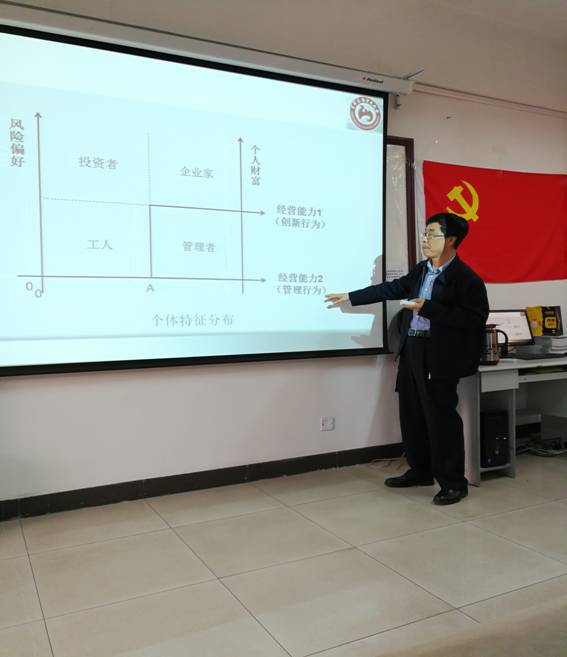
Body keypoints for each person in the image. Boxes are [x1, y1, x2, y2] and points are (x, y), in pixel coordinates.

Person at [325, 212, 489, 505]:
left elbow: (473, 320)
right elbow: (392, 288)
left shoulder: (466, 279)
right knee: (412, 413)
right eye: (425, 233)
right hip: (412, 348)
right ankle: (420, 470)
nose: (425, 239)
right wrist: (351, 296)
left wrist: (428, 308)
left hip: (439, 355)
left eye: (432, 234)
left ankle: (454, 483)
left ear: (451, 240)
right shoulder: (422, 270)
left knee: (440, 419)